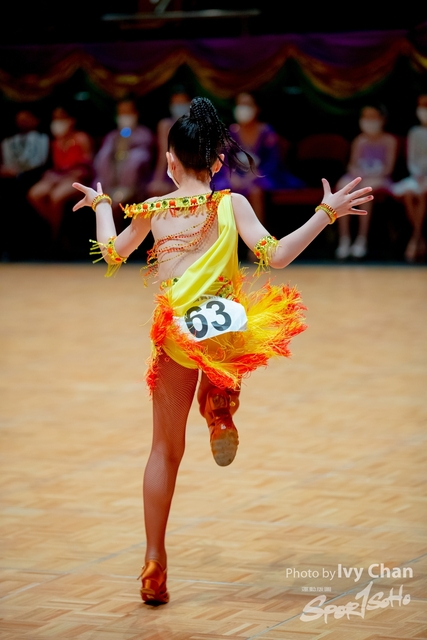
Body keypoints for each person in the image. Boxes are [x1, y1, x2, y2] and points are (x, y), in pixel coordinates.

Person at [72, 97, 373, 606]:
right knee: (232, 333)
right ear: (216, 163)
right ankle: (219, 405)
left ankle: (153, 563)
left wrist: (103, 205)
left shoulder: (152, 210)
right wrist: (326, 213)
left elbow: (111, 252)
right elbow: (277, 255)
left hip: (176, 335)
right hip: (224, 329)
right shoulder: (232, 204)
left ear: (169, 160)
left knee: (164, 450)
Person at [216, 92, 305, 227]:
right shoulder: (231, 133)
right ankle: (226, 233)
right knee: (222, 190)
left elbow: (273, 162)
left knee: (255, 191)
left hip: (262, 176)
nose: (242, 108)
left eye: (246, 104)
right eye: (239, 104)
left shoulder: (266, 132)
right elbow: (224, 160)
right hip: (236, 177)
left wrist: (253, 176)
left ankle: (258, 235)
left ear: (257, 108)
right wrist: (232, 176)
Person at [335, 104, 398, 259]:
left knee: (365, 191)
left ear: (382, 119)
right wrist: (358, 175)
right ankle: (344, 238)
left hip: (380, 178)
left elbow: (388, 168)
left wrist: (370, 176)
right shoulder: (359, 140)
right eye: (365, 117)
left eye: (372, 117)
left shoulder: (389, 140)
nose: (368, 121)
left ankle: (361, 239)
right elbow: (352, 164)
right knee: (341, 188)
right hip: (359, 176)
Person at [27, 106, 93, 239]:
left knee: (56, 197)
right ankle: (57, 229)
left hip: (77, 179)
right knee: (35, 194)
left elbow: (88, 164)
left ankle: (56, 236)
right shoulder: (56, 142)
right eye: (55, 118)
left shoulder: (81, 138)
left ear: (71, 120)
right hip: (59, 178)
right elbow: (57, 167)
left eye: (61, 118)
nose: (57, 122)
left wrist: (72, 172)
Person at [93, 98, 155, 230]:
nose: (125, 116)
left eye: (128, 112)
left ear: (136, 113)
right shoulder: (112, 137)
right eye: (121, 113)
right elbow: (101, 161)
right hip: (109, 185)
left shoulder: (144, 135)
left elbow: (141, 162)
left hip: (135, 187)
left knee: (117, 205)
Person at [391, 94, 427, 262]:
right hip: (417, 175)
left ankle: (415, 238)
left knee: (423, 194)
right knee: (409, 193)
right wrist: (418, 174)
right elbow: (412, 158)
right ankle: (419, 237)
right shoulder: (414, 132)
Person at [147, 87, 192, 197]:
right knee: (155, 189)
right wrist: (158, 179)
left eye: (182, 102)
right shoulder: (165, 125)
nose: (179, 106)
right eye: (176, 103)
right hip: (171, 173)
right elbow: (163, 154)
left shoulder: (199, 125)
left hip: (193, 172)